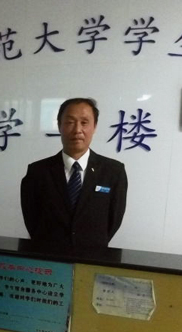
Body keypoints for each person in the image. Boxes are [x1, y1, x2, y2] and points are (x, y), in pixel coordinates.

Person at [21, 98, 127, 249]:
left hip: (93, 256)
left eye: (84, 122)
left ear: (94, 126)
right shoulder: (37, 172)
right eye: (70, 122)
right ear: (59, 126)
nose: (77, 130)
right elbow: (32, 220)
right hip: (48, 255)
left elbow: (113, 221)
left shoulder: (113, 172)